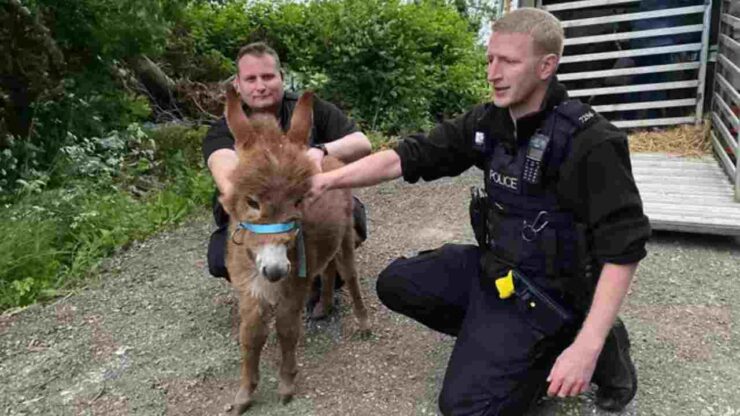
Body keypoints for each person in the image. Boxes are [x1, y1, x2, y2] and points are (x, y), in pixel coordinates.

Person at [307, 8, 650, 415]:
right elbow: (406, 157)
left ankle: (596, 342)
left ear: (546, 66)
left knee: (465, 408)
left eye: (508, 61)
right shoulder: (490, 121)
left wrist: (587, 349)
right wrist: (326, 180)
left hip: (553, 290)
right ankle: (514, 347)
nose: (493, 73)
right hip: (499, 273)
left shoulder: (592, 142)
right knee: (397, 283)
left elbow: (623, 249)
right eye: (490, 59)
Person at [202, 42, 371, 284]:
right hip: (258, 218)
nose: (260, 86)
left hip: (304, 212)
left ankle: (319, 275)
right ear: (238, 84)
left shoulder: (312, 108)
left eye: (268, 76)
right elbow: (224, 170)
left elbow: (362, 143)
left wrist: (320, 151)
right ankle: (265, 280)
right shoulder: (223, 128)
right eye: (250, 79)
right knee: (220, 257)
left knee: (352, 216)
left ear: (281, 77)